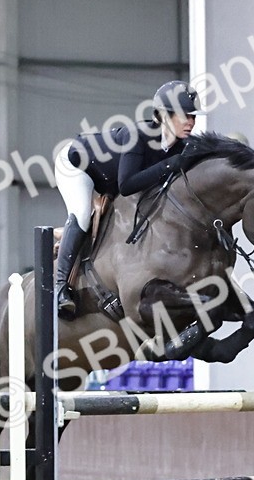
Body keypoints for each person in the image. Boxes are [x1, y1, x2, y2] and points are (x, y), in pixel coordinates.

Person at [52, 80, 201, 319]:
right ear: (163, 116)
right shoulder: (138, 135)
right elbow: (128, 184)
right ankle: (60, 288)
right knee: (81, 213)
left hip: (109, 177)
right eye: (185, 116)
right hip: (78, 166)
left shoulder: (180, 146)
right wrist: (171, 164)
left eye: (193, 116)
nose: (191, 122)